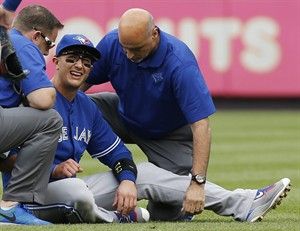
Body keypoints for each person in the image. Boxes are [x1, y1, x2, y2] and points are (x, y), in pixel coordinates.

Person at [3, 33, 290, 224]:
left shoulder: (87, 108)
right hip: (33, 195)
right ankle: (118, 219)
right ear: (55, 61)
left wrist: (127, 179)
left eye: (87, 61)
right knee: (79, 193)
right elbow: (6, 160)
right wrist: (52, 170)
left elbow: (119, 155)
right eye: (72, 58)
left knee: (144, 173)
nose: (80, 65)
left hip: (76, 192)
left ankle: (243, 203)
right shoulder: (36, 104)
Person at [81, 8, 291, 221]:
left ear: (155, 34)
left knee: (165, 215)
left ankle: (246, 202)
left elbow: (201, 126)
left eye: (136, 48)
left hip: (168, 134)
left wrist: (198, 183)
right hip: (123, 115)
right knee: (76, 106)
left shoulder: (180, 63)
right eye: (125, 48)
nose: (129, 55)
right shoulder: (112, 44)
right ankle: (52, 171)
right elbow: (76, 85)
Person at [0, 4, 63, 225]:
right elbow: (43, 99)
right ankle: (10, 206)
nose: (48, 51)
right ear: (36, 35)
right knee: (50, 121)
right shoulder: (22, 43)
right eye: (49, 43)